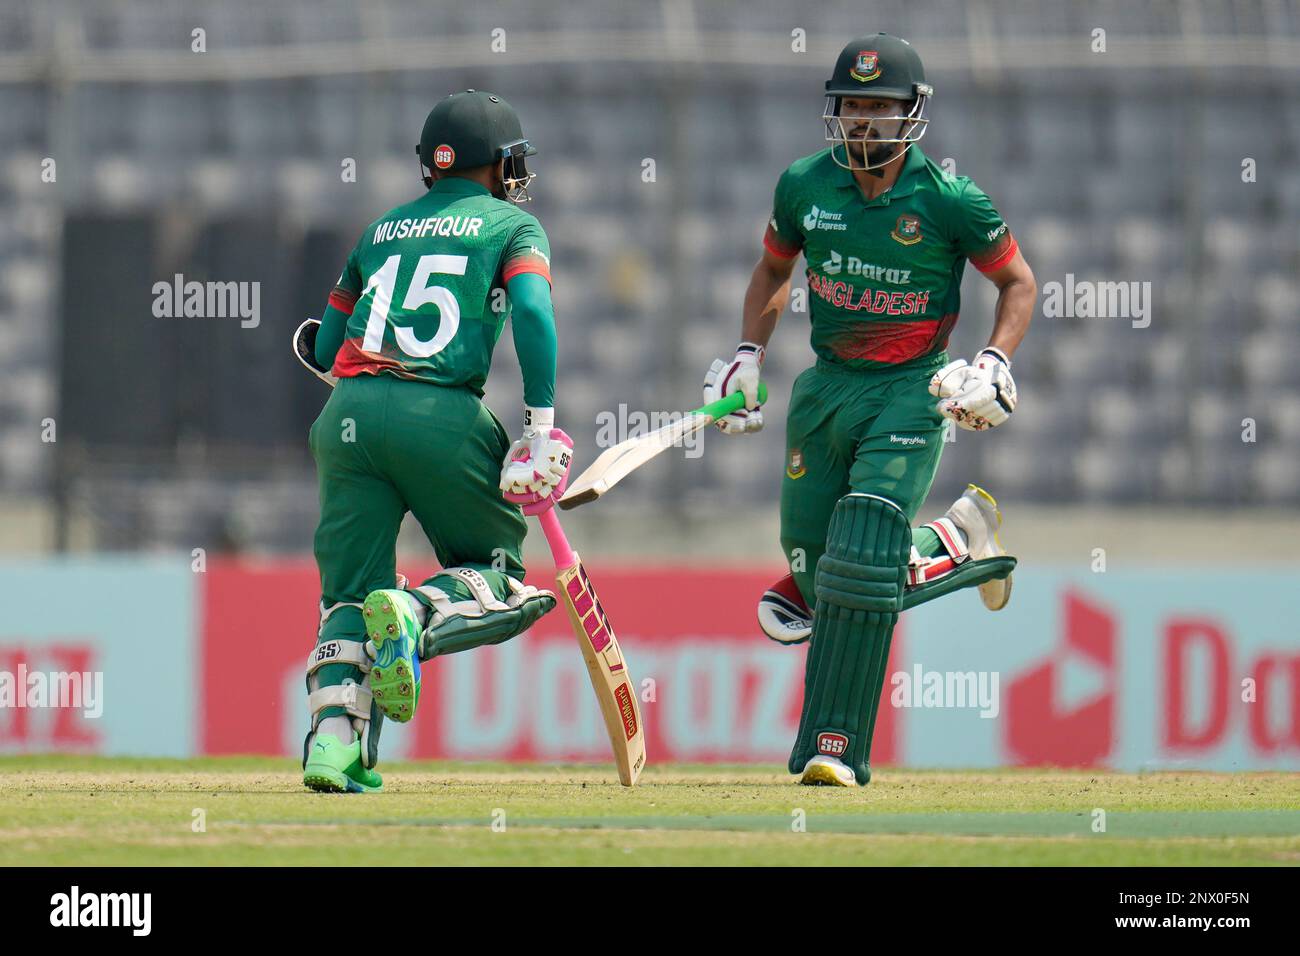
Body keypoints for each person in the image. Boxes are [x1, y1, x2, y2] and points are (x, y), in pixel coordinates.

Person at [703, 34, 1037, 786]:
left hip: (912, 390)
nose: (865, 121)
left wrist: (993, 362)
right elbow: (772, 271)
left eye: (881, 107)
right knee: (814, 573)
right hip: (825, 388)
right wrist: (748, 356)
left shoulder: (950, 199)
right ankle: (957, 539)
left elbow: (1018, 282)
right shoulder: (803, 185)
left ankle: (835, 747)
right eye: (853, 105)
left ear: (911, 114)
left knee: (858, 555)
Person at [298, 90, 570, 793]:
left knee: (348, 596)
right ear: (496, 164)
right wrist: (540, 428)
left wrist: (335, 358)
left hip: (349, 418)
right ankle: (416, 612)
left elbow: (326, 347)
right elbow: (534, 312)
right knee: (500, 573)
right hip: (440, 416)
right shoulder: (514, 225)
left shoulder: (380, 229)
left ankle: (333, 746)